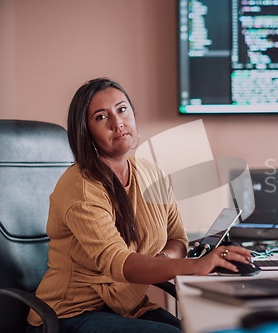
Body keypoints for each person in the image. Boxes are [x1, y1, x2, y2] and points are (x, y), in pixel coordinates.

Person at [26, 78, 252, 333]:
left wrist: (162, 261)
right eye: (101, 117)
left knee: (205, 328)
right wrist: (196, 265)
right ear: (85, 131)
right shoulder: (82, 187)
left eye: (122, 110)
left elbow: (178, 238)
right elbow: (120, 263)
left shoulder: (150, 172)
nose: (117, 122)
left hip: (129, 309)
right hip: (69, 316)